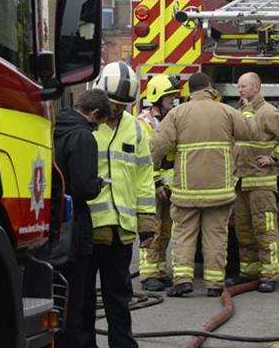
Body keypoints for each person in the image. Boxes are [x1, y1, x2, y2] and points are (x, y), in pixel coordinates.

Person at [151, 72, 254, 297]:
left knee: (185, 234)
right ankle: (215, 284)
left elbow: (157, 146)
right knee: (216, 236)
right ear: (209, 88)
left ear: (190, 90)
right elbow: (248, 132)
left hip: (187, 190)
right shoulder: (227, 111)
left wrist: (153, 172)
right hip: (220, 190)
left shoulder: (177, 113)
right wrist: (245, 110)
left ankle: (183, 281)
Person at [84, 61, 156, 348]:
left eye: (123, 105)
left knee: (119, 299)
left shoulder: (135, 130)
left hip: (120, 232)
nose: (117, 110)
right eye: (113, 104)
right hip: (87, 228)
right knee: (83, 300)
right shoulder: (85, 126)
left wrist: (147, 222)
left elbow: (144, 177)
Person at [226, 72, 279, 293]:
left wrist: (275, 158)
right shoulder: (242, 113)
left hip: (261, 183)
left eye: (244, 86)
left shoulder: (267, 112)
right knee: (244, 230)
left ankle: (269, 275)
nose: (240, 90)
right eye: (238, 86)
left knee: (264, 230)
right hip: (241, 183)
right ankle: (248, 271)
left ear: (257, 88)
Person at [54, 88, 111, 348]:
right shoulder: (83, 137)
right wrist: (99, 182)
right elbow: (83, 187)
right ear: (95, 113)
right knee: (78, 295)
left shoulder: (55, 126)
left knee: (58, 292)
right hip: (75, 226)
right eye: (99, 124)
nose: (97, 129)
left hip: (53, 222)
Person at [137, 75, 181, 292]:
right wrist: (156, 184)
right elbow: (146, 158)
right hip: (151, 186)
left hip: (167, 187)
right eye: (169, 98)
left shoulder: (168, 122)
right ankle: (148, 274)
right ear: (157, 98)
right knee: (151, 229)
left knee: (165, 230)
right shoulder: (144, 124)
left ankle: (159, 270)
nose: (172, 102)